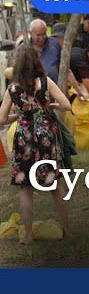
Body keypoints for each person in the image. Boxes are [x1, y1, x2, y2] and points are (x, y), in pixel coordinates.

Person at [0, 45, 72, 244]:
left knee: (25, 188)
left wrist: (19, 115)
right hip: (46, 137)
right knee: (55, 185)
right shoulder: (45, 82)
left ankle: (29, 235)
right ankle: (66, 229)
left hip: (24, 139)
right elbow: (66, 105)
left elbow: (1, 119)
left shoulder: (12, 89)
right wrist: (54, 106)